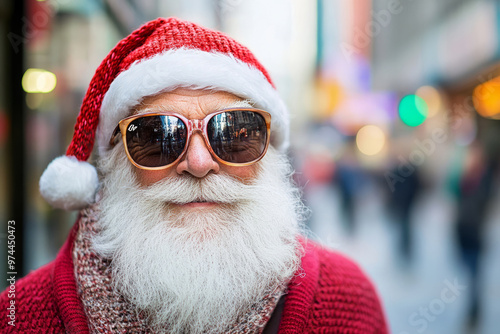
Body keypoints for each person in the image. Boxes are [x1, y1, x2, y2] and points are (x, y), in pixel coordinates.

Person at [0, 18, 388, 333]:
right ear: (115, 159)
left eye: (235, 135)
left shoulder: (348, 298)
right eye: (158, 137)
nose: (199, 163)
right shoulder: (19, 318)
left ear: (268, 152)